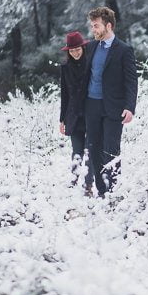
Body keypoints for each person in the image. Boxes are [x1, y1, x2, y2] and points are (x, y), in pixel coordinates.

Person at [83, 7, 138, 197]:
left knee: (111, 150)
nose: (93, 30)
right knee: (94, 148)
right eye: (92, 26)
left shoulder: (124, 50)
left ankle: (114, 191)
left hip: (114, 108)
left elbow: (131, 80)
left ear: (108, 25)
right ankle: (101, 191)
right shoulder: (90, 47)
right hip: (92, 106)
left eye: (96, 26)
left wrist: (130, 107)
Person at [59, 31, 94, 196]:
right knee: (76, 150)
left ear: (83, 47)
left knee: (90, 151)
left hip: (91, 113)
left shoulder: (92, 63)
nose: (75, 52)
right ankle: (74, 179)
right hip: (73, 116)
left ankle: (88, 184)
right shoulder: (65, 68)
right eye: (72, 50)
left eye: (77, 49)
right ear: (68, 51)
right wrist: (62, 120)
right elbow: (64, 94)